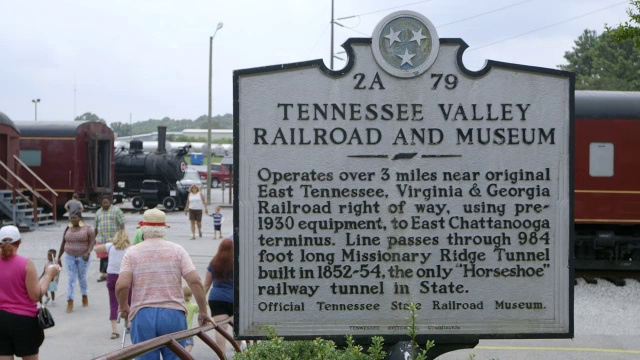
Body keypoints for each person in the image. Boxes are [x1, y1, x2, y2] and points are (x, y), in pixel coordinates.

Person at [116, 208, 213, 360]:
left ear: (143, 229)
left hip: (142, 314)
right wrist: (203, 311)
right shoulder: (177, 250)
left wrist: (123, 307)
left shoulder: (132, 252)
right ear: (163, 229)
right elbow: (195, 281)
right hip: (173, 314)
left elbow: (122, 285)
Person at [0, 225, 61, 360]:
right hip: (24, 321)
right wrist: (48, 275)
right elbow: (36, 295)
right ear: (19, 242)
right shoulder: (26, 263)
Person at [203, 238, 239, 354]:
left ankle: (222, 355)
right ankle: (238, 353)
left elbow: (206, 284)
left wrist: (201, 302)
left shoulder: (213, 263)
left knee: (221, 329)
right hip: (234, 299)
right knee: (238, 328)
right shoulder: (238, 262)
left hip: (217, 298)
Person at [94, 230, 131, 339]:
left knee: (113, 302)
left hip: (112, 276)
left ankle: (114, 331)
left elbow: (96, 249)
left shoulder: (110, 246)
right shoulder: (130, 249)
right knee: (128, 300)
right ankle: (127, 324)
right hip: (126, 276)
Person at [57, 210, 96, 313]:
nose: (72, 219)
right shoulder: (68, 228)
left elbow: (92, 240)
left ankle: (84, 295)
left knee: (81, 277)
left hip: (83, 256)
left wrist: (88, 252)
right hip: (69, 255)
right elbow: (63, 241)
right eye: (71, 218)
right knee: (71, 278)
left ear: (80, 218)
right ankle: (70, 301)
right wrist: (59, 257)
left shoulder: (87, 228)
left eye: (75, 217)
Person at [95, 195, 125, 282]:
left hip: (114, 239)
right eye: (103, 203)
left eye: (107, 202)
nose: (105, 204)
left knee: (113, 257)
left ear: (110, 202)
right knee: (103, 257)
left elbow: (122, 223)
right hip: (102, 239)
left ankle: (114, 274)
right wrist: (94, 239)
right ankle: (104, 274)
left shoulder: (116, 210)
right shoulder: (98, 212)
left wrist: (122, 235)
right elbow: (96, 227)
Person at [182, 286, 198, 353]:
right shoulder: (193, 306)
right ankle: (184, 355)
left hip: (178, 330)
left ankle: (181, 355)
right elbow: (200, 311)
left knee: (179, 345)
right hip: (188, 330)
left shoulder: (180, 305)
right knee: (189, 344)